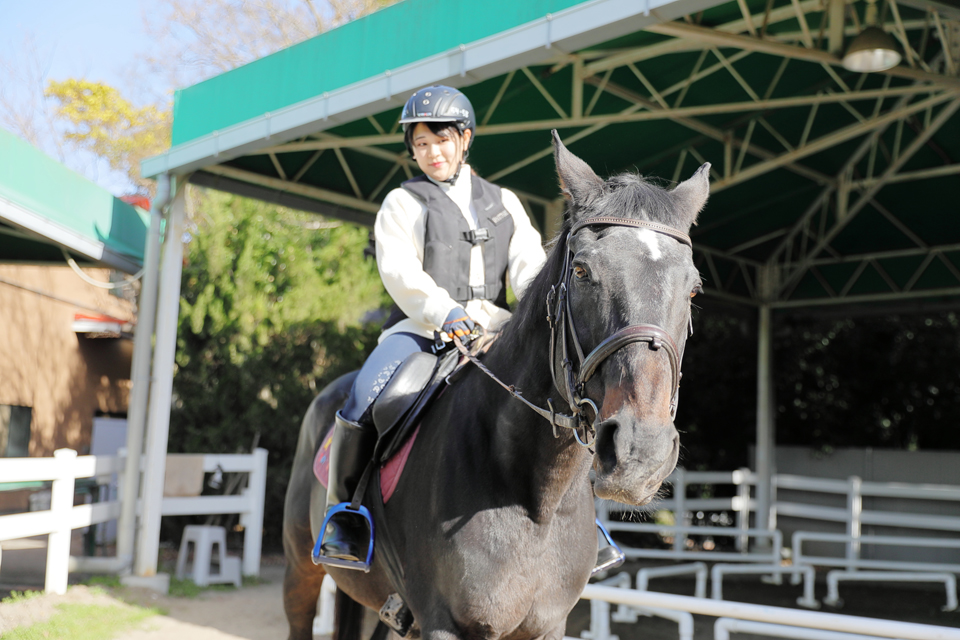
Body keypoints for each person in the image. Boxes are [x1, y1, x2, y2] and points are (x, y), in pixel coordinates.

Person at [316, 85, 547, 568]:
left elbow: (529, 268)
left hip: (497, 329)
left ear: (464, 139)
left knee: (557, 391)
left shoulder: (506, 202)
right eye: (420, 144)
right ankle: (346, 517)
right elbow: (400, 271)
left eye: (440, 141)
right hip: (421, 329)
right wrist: (444, 312)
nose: (431, 153)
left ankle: (582, 522)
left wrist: (534, 312)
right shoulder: (403, 202)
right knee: (362, 400)